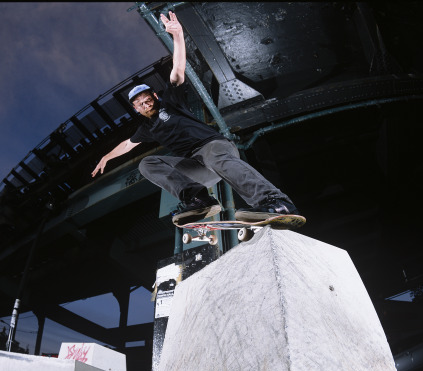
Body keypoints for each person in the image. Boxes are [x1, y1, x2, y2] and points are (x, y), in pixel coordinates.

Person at [92, 11, 301, 225]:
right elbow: (127, 145)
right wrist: (106, 157)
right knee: (147, 164)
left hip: (214, 147)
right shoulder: (147, 128)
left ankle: (275, 201)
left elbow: (178, 70)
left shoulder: (170, 102)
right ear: (136, 109)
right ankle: (199, 199)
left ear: (155, 96)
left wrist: (178, 36)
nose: (145, 104)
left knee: (212, 156)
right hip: (197, 168)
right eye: (140, 104)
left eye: (148, 99)